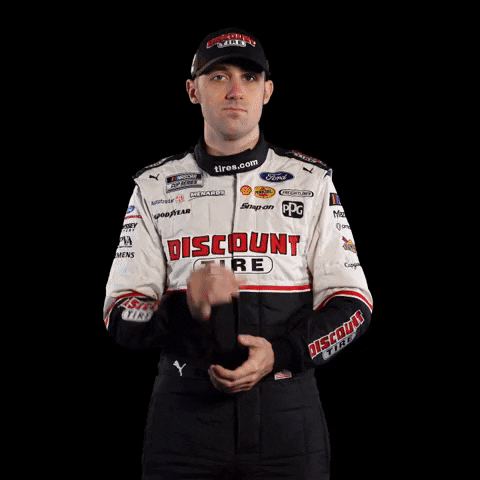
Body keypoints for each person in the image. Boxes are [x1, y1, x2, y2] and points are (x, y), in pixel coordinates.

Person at [104, 27, 373, 480]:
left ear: (267, 91)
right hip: (183, 423)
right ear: (192, 90)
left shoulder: (312, 182)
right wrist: (184, 308)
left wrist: (282, 354)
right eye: (218, 76)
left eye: (249, 78)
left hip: (289, 423)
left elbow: (354, 305)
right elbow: (118, 314)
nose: (235, 90)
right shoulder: (153, 187)